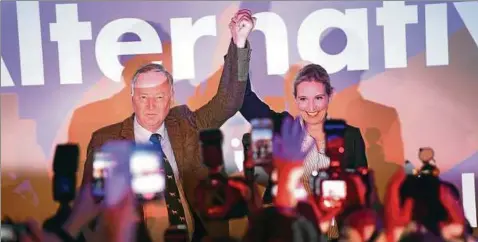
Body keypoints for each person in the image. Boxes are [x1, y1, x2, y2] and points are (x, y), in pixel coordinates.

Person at [79, 10, 255, 242]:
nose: (151, 106)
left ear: (171, 97)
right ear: (132, 97)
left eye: (159, 98)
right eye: (143, 98)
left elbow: (229, 102)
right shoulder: (107, 141)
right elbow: (90, 213)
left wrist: (238, 42)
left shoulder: (185, 123)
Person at [239, 63, 368, 239]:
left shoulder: (349, 136)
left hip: (335, 233)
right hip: (287, 233)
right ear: (295, 99)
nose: (311, 107)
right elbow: (244, 99)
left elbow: (362, 195)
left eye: (318, 98)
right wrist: (239, 46)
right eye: (303, 99)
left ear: (331, 95)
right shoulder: (283, 128)